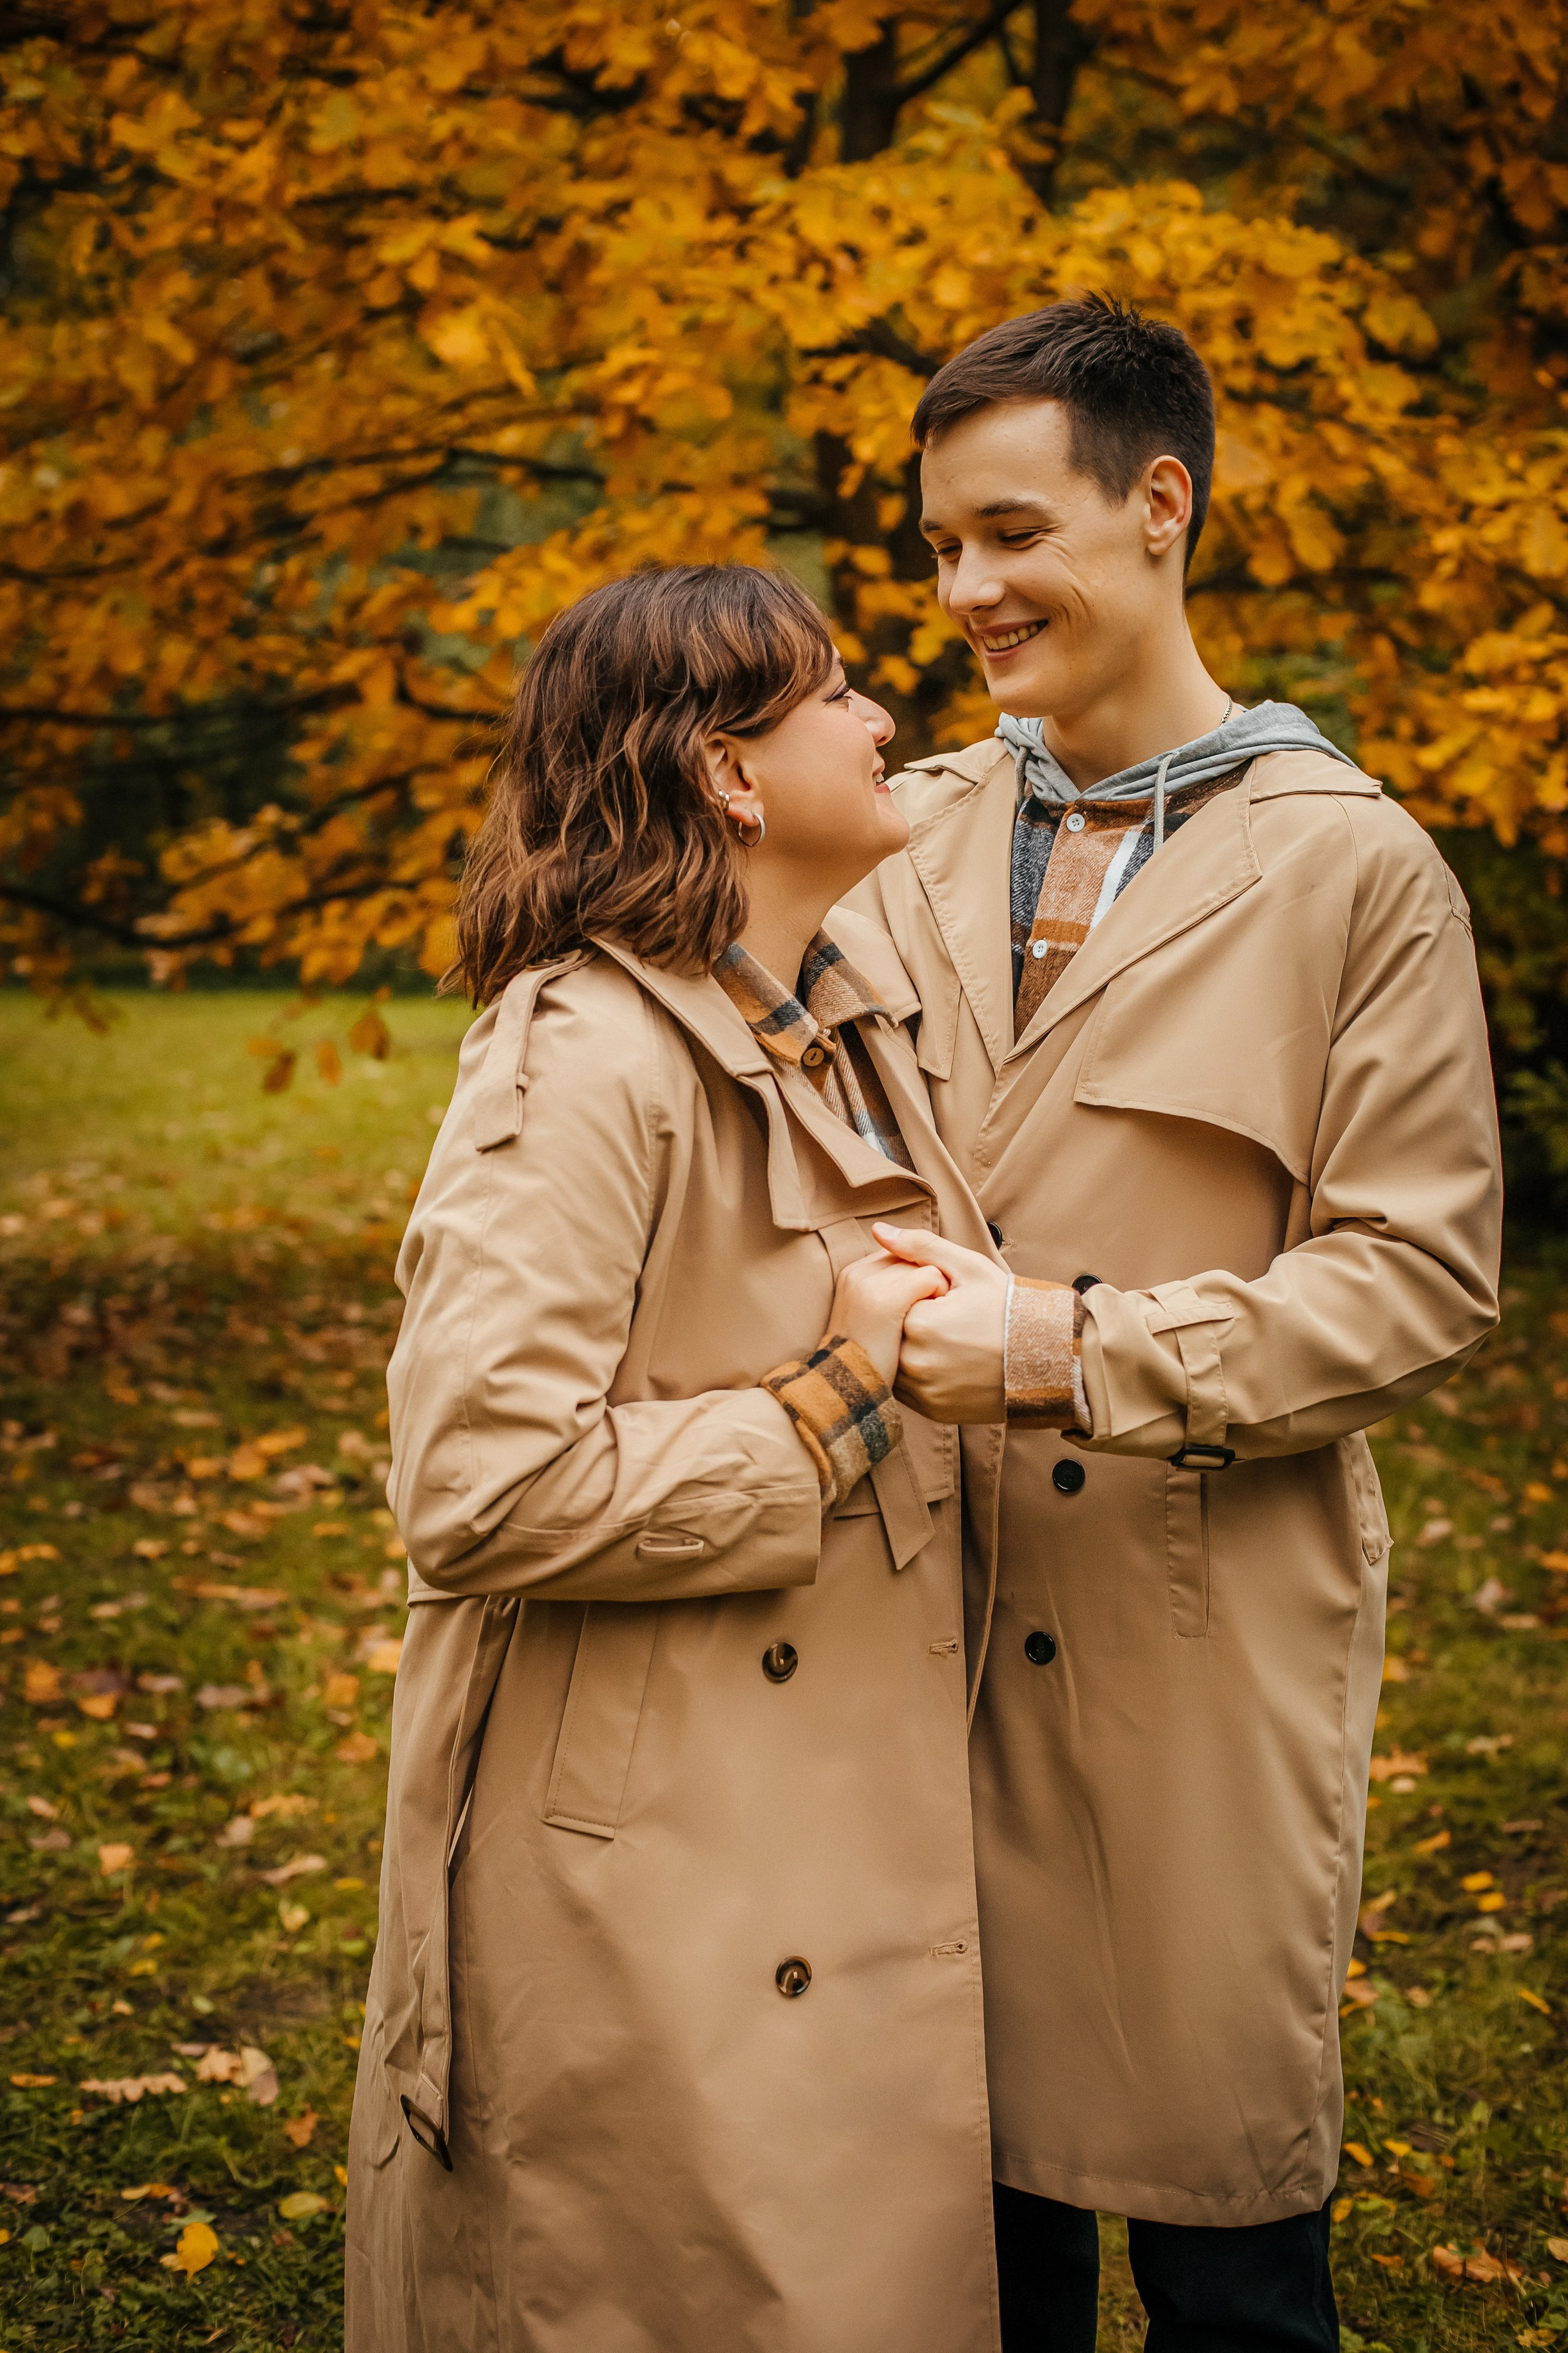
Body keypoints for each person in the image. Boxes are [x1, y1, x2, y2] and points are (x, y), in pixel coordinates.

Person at [845, 298, 1504, 2351]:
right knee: (954, 2256)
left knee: (1226, 2259)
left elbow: (1417, 1279)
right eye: (942, 545)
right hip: (894, 1639)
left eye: (1010, 533)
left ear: (1160, 505)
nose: (966, 591)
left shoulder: (1358, 871)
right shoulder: (900, 831)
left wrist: (1064, 1349)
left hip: (1191, 1656)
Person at [345, 565, 1008, 2352]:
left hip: (838, 1818)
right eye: (839, 692)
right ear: (728, 772)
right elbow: (479, 1485)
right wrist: (835, 1398)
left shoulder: (847, 1023)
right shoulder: (580, 1052)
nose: (885, 719)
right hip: (658, 1867)